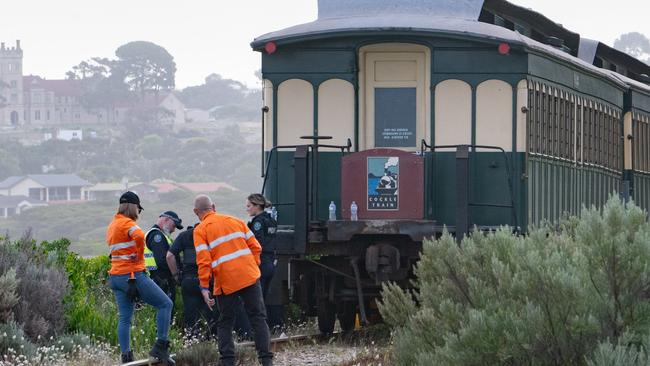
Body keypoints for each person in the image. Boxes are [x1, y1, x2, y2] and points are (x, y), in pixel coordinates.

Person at [192, 194, 273, 366]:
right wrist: (252, 266)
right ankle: (266, 360)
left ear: (196, 212)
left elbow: (204, 261)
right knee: (258, 317)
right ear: (213, 206)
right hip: (249, 277)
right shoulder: (235, 220)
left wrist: (204, 287)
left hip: (225, 282)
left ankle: (227, 361)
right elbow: (256, 247)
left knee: (225, 321)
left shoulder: (200, 230)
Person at [106, 191, 174, 365]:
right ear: (133, 206)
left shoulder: (113, 224)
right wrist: (137, 253)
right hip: (132, 276)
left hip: (116, 277)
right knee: (165, 304)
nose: (139, 212)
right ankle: (160, 347)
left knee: (124, 318)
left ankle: (126, 358)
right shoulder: (128, 223)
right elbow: (139, 236)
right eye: (138, 208)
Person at [166, 223, 219, 339]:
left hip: (188, 280)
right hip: (207, 281)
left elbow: (169, 256)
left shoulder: (183, 236)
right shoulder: (210, 235)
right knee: (211, 314)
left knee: (191, 316)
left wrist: (176, 275)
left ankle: (191, 340)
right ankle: (212, 340)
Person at [245, 194, 283, 330]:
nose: (247, 209)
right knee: (263, 296)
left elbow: (256, 244)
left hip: (260, 262)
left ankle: (256, 328)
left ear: (257, 206)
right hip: (270, 262)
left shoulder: (258, 222)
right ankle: (266, 327)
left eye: (249, 206)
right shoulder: (271, 221)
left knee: (255, 298)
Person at [145, 211, 183, 308]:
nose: (174, 230)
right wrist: (175, 273)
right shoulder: (157, 236)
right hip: (161, 280)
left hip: (155, 280)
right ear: (166, 220)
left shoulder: (160, 235)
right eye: (174, 226)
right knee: (166, 310)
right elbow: (162, 261)